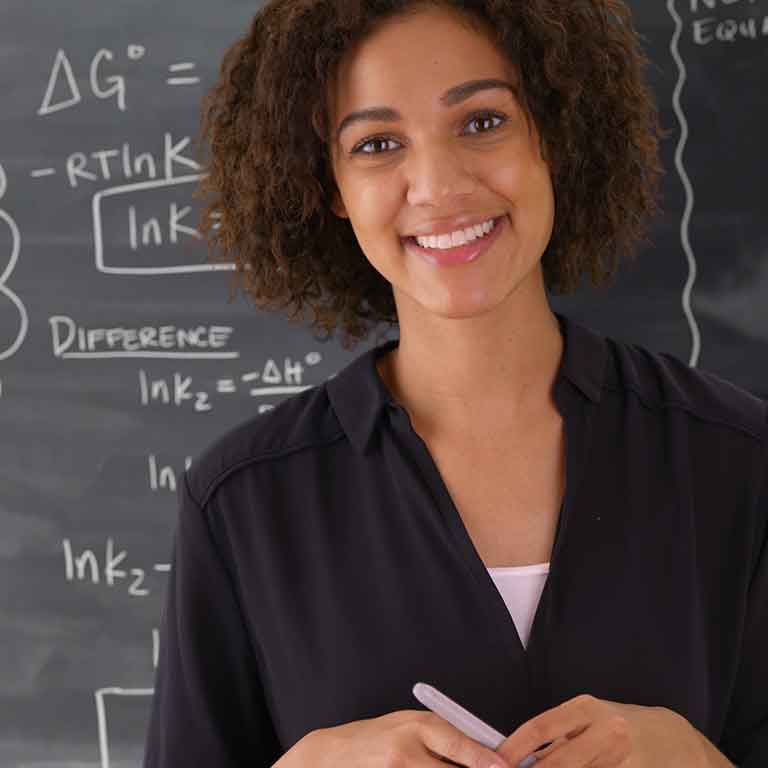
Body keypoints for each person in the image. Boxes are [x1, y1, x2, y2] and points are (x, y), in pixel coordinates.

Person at [143, 1, 767, 766]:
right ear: (330, 186)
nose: (437, 186)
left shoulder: (738, 460)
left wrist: (701, 761)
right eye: (377, 143)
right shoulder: (243, 502)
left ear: (555, 134)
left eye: (481, 122)